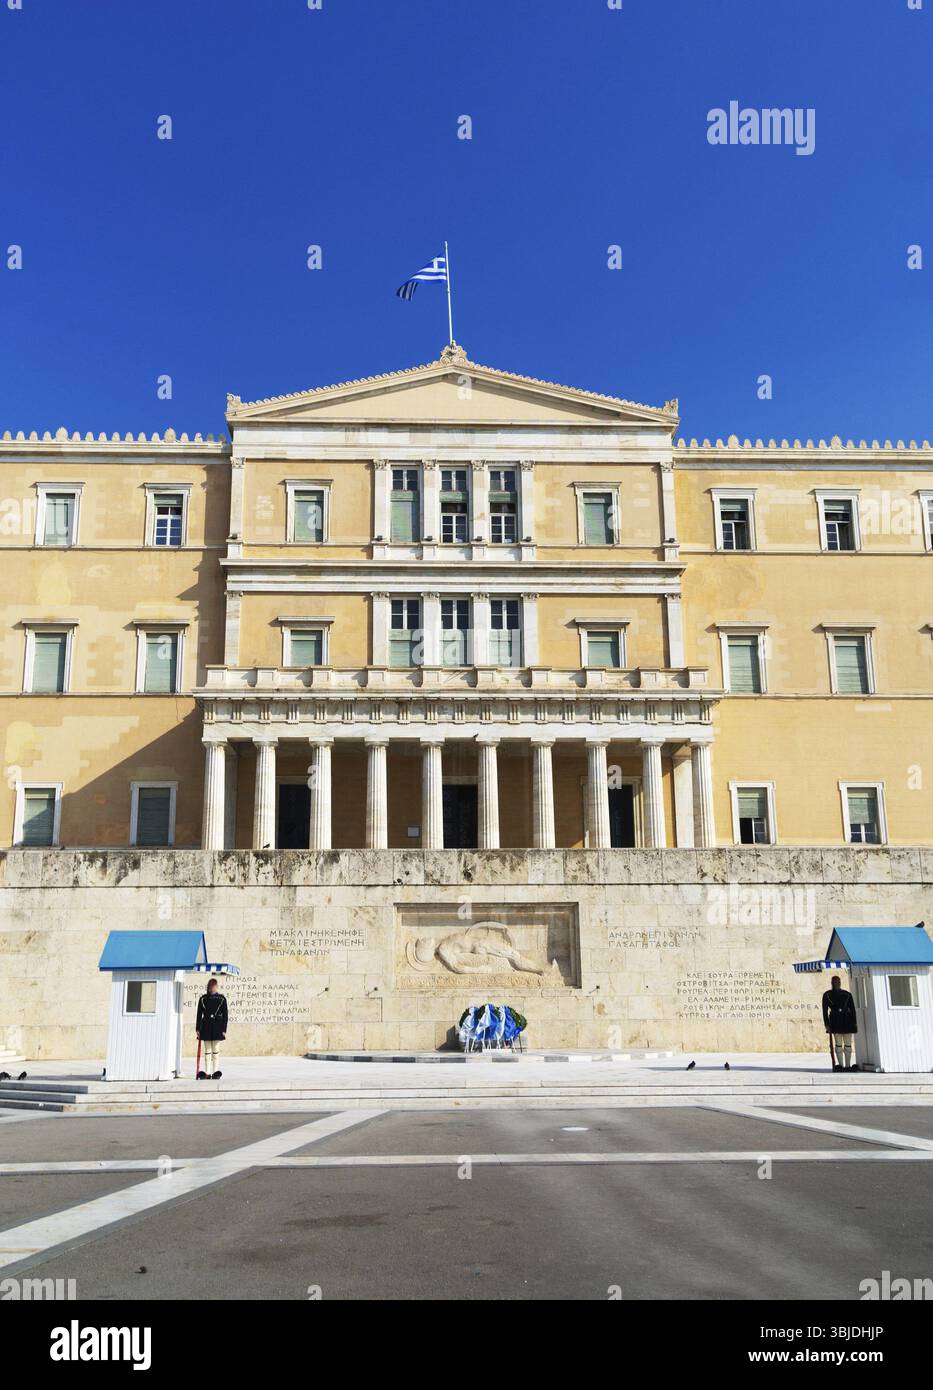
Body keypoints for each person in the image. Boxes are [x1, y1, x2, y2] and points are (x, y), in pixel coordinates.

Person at [821, 974, 858, 1072]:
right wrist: (827, 1024)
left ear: (840, 983)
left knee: (848, 1045)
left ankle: (848, 1065)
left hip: (847, 1021)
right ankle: (841, 1065)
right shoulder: (827, 995)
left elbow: (853, 1010)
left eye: (837, 982)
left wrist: (854, 1023)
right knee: (838, 1045)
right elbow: (824, 1011)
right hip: (835, 1021)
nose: (836, 984)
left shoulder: (847, 994)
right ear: (831, 983)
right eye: (834, 982)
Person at [196, 977, 228, 1080]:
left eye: (214, 986)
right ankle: (207, 1072)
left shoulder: (222, 999)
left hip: (217, 1027)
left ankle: (215, 1071)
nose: (213, 988)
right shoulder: (203, 999)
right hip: (205, 1026)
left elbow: (225, 1016)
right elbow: (199, 1015)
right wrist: (198, 1029)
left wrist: (224, 1030)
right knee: (207, 1051)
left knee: (216, 1050)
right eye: (212, 986)